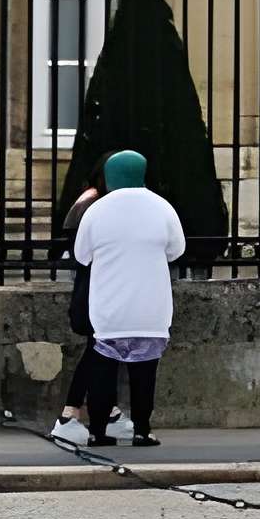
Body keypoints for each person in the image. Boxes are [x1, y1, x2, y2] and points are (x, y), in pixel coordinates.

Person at [71, 151, 185, 449]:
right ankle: (142, 430)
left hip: (109, 308)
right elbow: (177, 250)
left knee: (103, 372)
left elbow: (82, 255)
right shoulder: (162, 208)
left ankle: (97, 430)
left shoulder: (96, 210)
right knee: (144, 372)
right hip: (151, 308)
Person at [50, 184, 107, 448]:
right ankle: (69, 413)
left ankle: (106, 412)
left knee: (100, 354)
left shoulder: (87, 201)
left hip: (90, 294)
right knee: (97, 353)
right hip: (95, 295)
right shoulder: (96, 205)